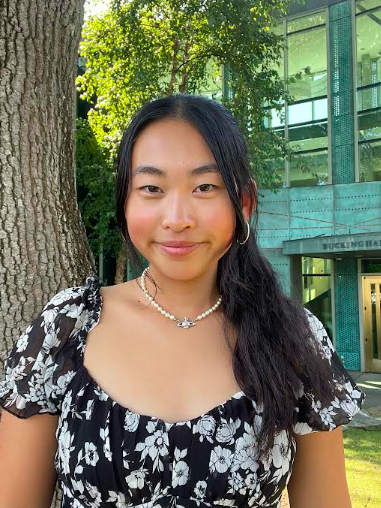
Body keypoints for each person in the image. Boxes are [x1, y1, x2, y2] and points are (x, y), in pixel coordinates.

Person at [0, 93, 366, 508]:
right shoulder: (67, 327)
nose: (177, 218)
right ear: (125, 201)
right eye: (151, 188)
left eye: (205, 187)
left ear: (243, 203)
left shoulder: (294, 338)